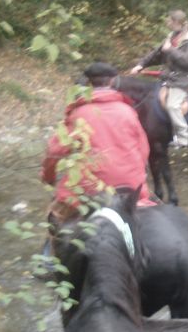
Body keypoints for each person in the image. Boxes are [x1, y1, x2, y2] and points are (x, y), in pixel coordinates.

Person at [41, 61, 155, 236]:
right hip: (130, 187)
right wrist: (139, 175)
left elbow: (55, 152)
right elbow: (143, 149)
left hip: (89, 189)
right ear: (112, 81)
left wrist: (48, 177)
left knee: (55, 217)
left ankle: (51, 259)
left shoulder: (77, 114)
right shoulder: (128, 111)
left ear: (88, 83)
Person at [130, 9, 188, 148]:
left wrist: (170, 50)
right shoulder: (172, 36)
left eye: (169, 20)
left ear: (176, 22)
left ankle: (183, 138)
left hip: (185, 78)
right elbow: (156, 54)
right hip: (171, 77)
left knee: (172, 105)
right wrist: (141, 65)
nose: (167, 22)